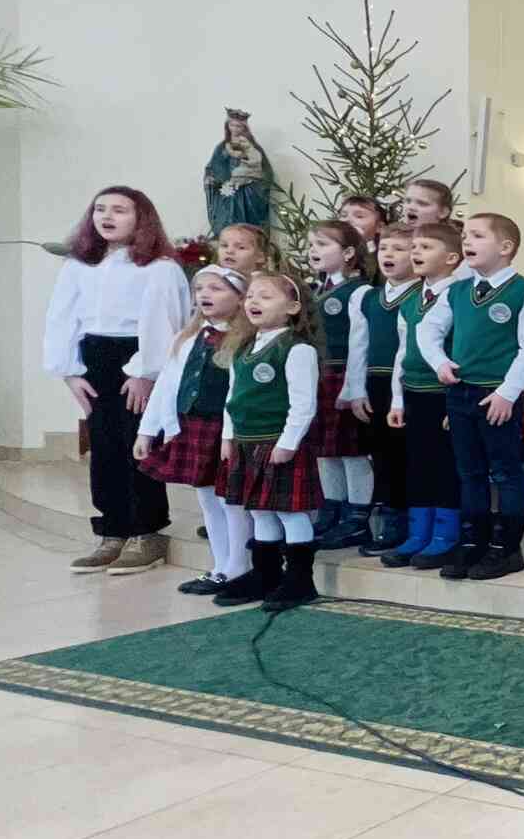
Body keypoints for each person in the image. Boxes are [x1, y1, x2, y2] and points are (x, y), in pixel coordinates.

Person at [43, 186, 191, 574]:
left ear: (141, 218)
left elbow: (164, 324)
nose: (106, 216)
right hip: (94, 359)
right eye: (100, 209)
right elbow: (62, 318)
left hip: (136, 358)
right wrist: (70, 373)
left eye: (119, 210)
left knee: (137, 443)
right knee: (104, 443)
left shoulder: (159, 267)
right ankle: (113, 530)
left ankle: (148, 532)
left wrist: (145, 372)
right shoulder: (80, 264)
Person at [417, 213, 524, 581]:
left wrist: (508, 393)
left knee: (505, 471)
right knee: (468, 471)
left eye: (477, 236)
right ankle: (473, 542)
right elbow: (428, 330)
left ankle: (506, 549)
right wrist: (440, 362)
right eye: (464, 236)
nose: (466, 242)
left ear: (505, 248)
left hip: (498, 395)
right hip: (460, 393)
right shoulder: (456, 291)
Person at [135, 265, 251, 597]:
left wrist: (232, 434)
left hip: (226, 429)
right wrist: (149, 430)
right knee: (207, 498)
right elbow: (167, 386)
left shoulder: (244, 339)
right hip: (194, 426)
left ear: (241, 298)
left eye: (216, 289)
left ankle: (239, 565)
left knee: (231, 500)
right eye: (200, 289)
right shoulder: (188, 338)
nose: (205, 295)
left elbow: (239, 391)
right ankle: (220, 564)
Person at [215, 272, 323, 611]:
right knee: (260, 510)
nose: (253, 302)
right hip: (247, 442)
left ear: (292, 307)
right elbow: (233, 397)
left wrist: (289, 442)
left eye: (265, 296)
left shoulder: (296, 348)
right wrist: (227, 436)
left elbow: (304, 402)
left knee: (290, 513)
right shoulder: (243, 348)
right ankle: (266, 574)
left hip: (278, 442)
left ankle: (300, 580)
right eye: (250, 297)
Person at [384, 223, 465, 568]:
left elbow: (463, 348)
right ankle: (419, 534)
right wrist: (397, 399)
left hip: (444, 394)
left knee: (444, 465)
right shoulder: (411, 301)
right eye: (414, 246)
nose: (416, 253)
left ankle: (446, 536)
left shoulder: (460, 296)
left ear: (451, 258)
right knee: (417, 464)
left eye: (426, 247)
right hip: (415, 393)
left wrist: (456, 398)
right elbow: (402, 353)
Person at [344, 224, 422, 557]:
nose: (389, 255)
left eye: (399, 249)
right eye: (384, 248)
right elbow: (357, 346)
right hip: (375, 384)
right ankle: (390, 520)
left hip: (410, 384)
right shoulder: (368, 297)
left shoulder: (421, 295)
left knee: (409, 455)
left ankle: (411, 524)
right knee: (382, 454)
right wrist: (355, 390)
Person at [305, 221, 374, 549]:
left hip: (344, 376)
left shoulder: (359, 291)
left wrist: (353, 385)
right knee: (325, 450)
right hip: (318, 377)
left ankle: (357, 517)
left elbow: (360, 341)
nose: (313, 250)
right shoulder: (315, 289)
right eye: (311, 245)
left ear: (348, 253)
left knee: (351, 451)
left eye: (322, 244)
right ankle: (331, 510)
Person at [400, 179, 475, 282]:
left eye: (422, 203)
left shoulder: (459, 245)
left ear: (443, 212)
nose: (411, 207)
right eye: (407, 201)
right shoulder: (395, 237)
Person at [337, 195, 388, 261]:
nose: (347, 220)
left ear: (379, 227)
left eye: (359, 216)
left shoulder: (382, 254)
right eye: (343, 216)